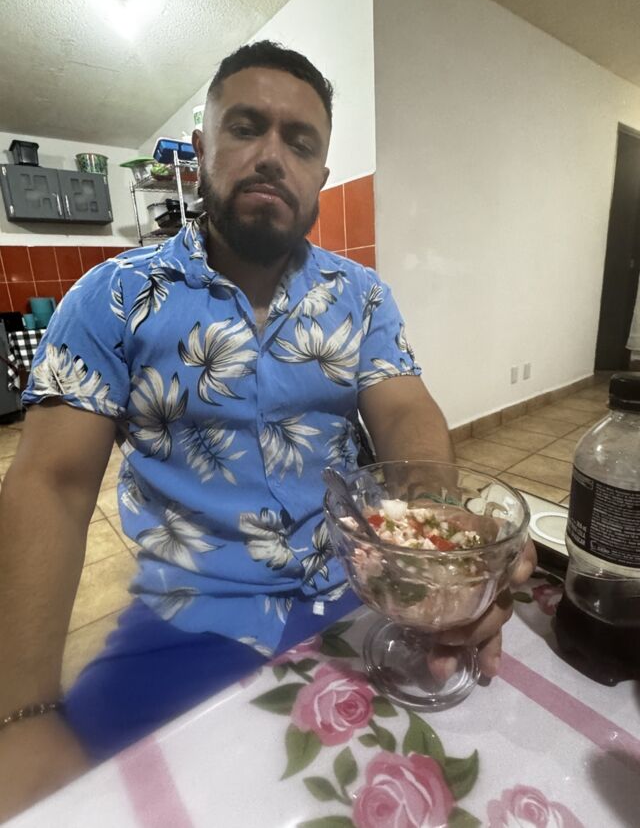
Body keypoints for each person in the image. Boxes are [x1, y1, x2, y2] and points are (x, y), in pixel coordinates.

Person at [0, 41, 535, 820]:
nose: (272, 156)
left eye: (300, 142)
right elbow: (50, 483)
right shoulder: (109, 297)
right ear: (202, 149)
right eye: (246, 127)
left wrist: (434, 546)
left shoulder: (363, 297)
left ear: (321, 173)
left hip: (354, 589)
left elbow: (406, 415)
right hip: (186, 614)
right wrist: (21, 712)